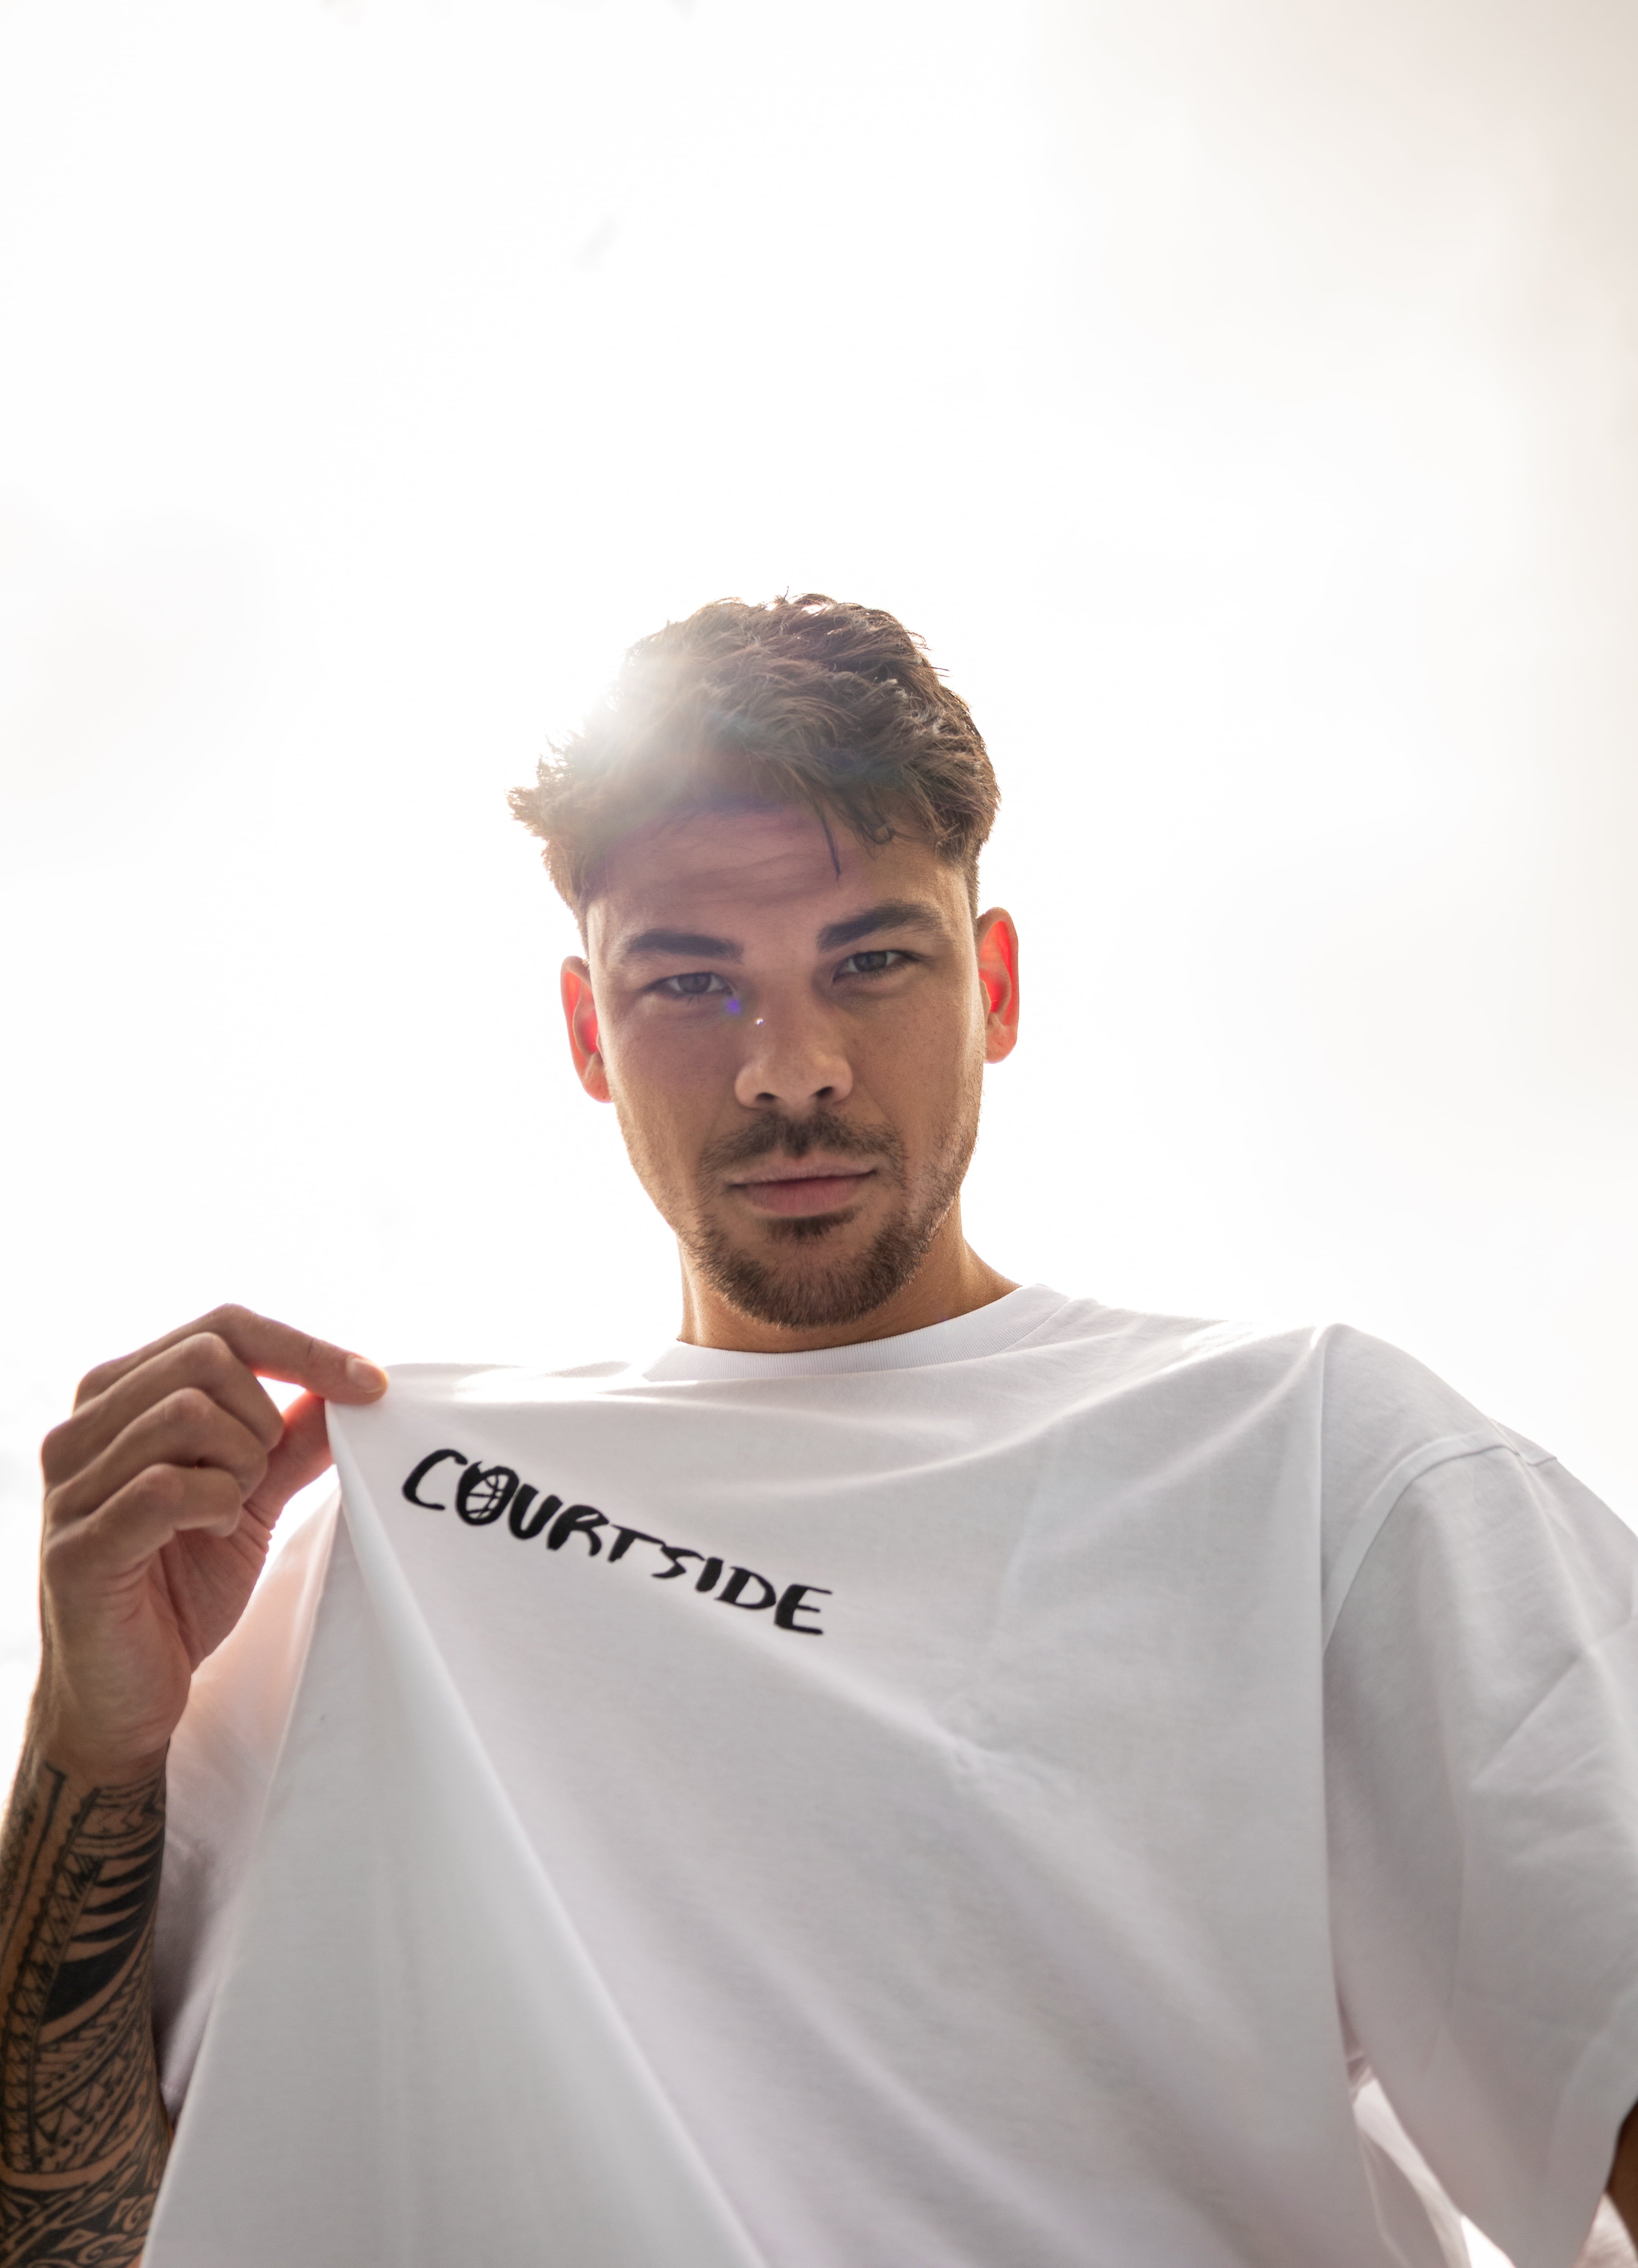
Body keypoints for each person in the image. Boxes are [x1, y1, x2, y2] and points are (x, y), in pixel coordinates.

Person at [3, 594, 1637, 2268]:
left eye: (870, 963)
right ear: (586, 1034)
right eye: (691, 985)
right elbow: (64, 2242)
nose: (792, 1070)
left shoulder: (1312, 1463)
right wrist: (91, 1728)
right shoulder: (384, 1543)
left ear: (992, 985)